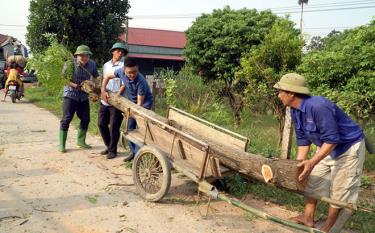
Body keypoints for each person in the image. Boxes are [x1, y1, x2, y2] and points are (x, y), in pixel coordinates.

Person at [273, 73, 365, 232]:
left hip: (348, 149)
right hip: (326, 147)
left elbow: (333, 139)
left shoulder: (318, 106)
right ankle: (308, 218)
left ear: (291, 93)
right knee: (313, 180)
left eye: (281, 91)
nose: (278, 95)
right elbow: (302, 138)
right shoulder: (294, 109)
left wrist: (312, 161)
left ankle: (328, 228)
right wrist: (300, 164)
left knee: (339, 191)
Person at [102, 58, 153, 161]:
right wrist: (103, 90)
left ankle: (139, 156)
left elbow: (139, 104)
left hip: (143, 106)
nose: (132, 75)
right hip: (130, 104)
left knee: (139, 130)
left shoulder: (141, 81)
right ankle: (133, 153)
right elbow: (107, 76)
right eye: (129, 73)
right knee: (129, 129)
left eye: (134, 72)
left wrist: (129, 114)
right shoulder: (120, 71)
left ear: (137, 69)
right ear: (124, 70)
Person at [58, 45, 99, 153]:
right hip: (70, 94)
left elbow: (95, 78)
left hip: (84, 96)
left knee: (85, 118)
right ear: (77, 55)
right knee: (66, 119)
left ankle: (81, 141)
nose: (84, 58)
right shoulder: (70, 64)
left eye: (86, 55)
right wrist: (75, 86)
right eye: (81, 55)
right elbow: (63, 79)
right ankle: (62, 145)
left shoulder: (92, 64)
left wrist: (94, 91)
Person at [98, 42, 128, 159]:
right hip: (105, 99)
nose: (120, 53)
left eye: (122, 52)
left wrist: (118, 94)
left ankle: (113, 151)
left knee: (114, 126)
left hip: (117, 100)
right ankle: (108, 145)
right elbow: (103, 79)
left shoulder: (125, 65)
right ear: (113, 52)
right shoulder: (106, 65)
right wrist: (102, 91)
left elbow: (125, 82)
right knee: (101, 124)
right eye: (118, 51)